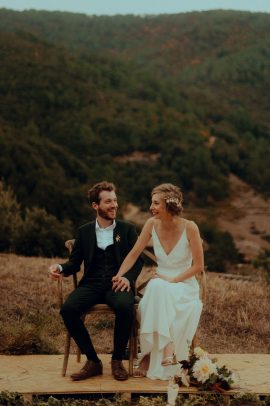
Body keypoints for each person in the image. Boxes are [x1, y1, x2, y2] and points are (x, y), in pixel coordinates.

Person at [49, 181, 143, 381]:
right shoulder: (84, 232)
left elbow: (138, 260)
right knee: (68, 310)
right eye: (108, 201)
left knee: (125, 306)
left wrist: (127, 278)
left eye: (115, 200)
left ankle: (117, 360)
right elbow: (74, 263)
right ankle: (93, 361)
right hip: (91, 283)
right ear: (95, 206)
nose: (114, 205)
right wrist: (60, 267)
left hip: (118, 283)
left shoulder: (127, 230)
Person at [112, 183, 204, 380]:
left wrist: (173, 279)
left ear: (169, 205)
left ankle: (145, 357)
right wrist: (120, 274)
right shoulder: (151, 224)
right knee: (157, 286)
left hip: (184, 285)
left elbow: (198, 267)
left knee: (156, 288)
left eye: (156, 203)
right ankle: (166, 351)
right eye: (151, 202)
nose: (151, 207)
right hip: (161, 284)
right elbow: (134, 253)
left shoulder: (190, 227)